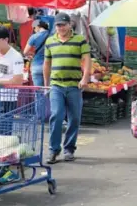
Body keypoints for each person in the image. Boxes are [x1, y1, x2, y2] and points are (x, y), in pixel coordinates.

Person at [43, 12, 91, 164]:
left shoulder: (80, 40)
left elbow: (87, 60)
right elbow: (47, 64)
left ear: (70, 25)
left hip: (74, 86)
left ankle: (69, 149)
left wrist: (85, 78)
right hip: (56, 85)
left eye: (63, 25)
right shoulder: (50, 41)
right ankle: (53, 149)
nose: (61, 28)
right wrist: (46, 84)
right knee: (56, 115)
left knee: (74, 118)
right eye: (58, 25)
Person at [0, 25, 24, 184]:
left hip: (7, 99)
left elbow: (17, 81)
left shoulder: (15, 57)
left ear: (5, 40)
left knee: (4, 135)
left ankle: (7, 169)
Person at [23, 20, 49, 86]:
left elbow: (25, 52)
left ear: (37, 26)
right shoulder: (51, 35)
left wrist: (31, 54)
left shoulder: (34, 37)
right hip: (49, 66)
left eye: (34, 28)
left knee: (39, 92)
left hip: (36, 66)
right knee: (50, 90)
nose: (34, 30)